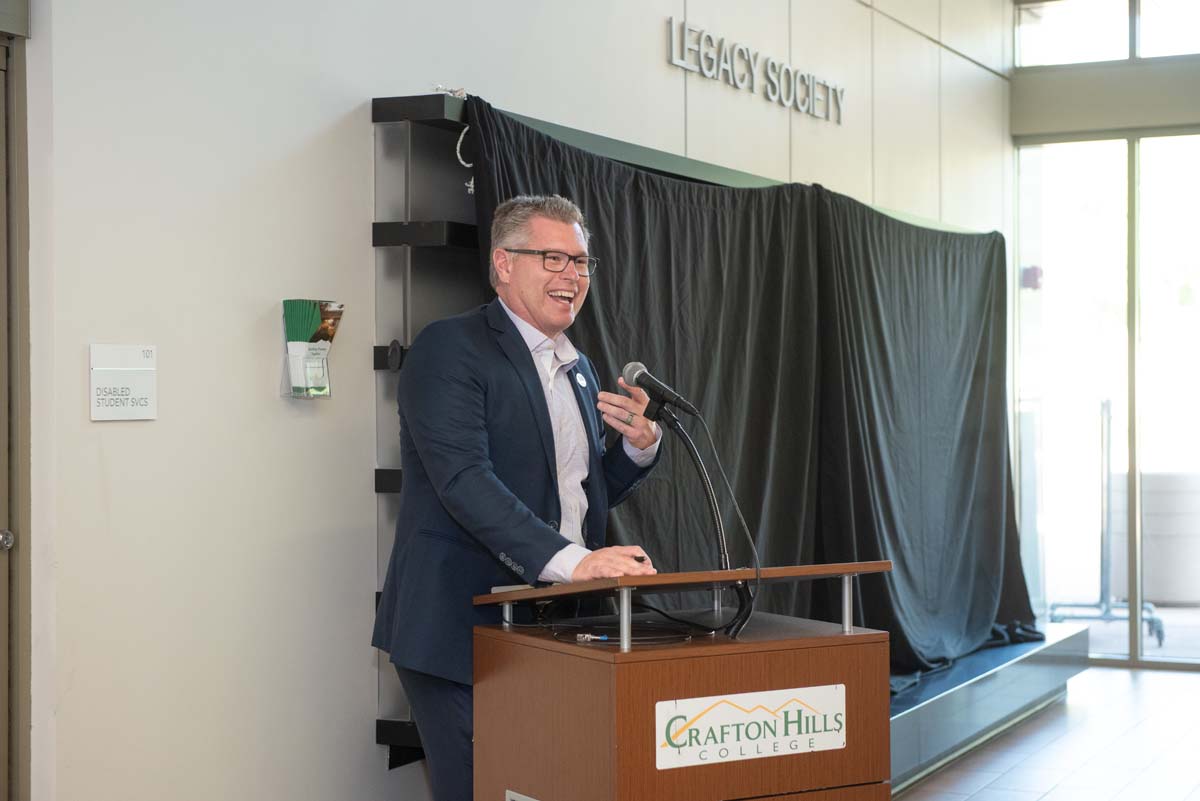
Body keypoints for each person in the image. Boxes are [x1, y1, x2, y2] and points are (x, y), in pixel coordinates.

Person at [372, 194, 662, 801]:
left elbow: (576, 494)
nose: (572, 276)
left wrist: (636, 449)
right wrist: (578, 562)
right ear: (503, 264)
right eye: (552, 257)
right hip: (462, 627)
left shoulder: (577, 366)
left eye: (581, 262)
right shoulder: (451, 348)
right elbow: (465, 483)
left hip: (556, 628)